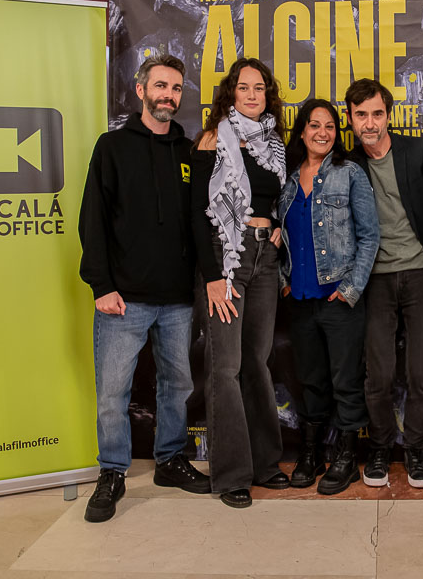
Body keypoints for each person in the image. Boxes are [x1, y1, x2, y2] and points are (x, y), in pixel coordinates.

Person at [78, 54, 210, 523]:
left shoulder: (189, 152)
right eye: (160, 86)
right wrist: (101, 285)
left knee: (178, 385)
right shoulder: (112, 147)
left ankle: (170, 460)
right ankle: (112, 472)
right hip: (123, 299)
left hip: (176, 299)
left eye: (175, 88)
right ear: (140, 90)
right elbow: (92, 219)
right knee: (113, 391)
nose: (168, 96)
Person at [191, 57, 288, 509]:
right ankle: (231, 474)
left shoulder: (273, 142)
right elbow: (196, 213)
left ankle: (266, 464)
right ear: (231, 93)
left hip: (266, 259)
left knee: (257, 362)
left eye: (259, 88)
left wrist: (277, 225)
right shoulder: (213, 139)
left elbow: (275, 199)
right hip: (225, 256)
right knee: (226, 366)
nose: (252, 95)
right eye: (243, 87)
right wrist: (212, 277)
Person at [279, 99, 380, 495]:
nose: (322, 132)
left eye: (330, 126)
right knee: (310, 381)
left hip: (338, 299)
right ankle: (311, 453)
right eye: (314, 125)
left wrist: (350, 288)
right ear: (302, 131)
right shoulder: (287, 179)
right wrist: (284, 281)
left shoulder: (349, 173)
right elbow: (279, 235)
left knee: (346, 381)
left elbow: (370, 236)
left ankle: (346, 457)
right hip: (301, 301)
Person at [347, 79, 423, 489]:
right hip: (374, 279)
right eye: (361, 115)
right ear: (350, 118)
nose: (370, 123)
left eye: (377, 114)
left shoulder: (418, 151)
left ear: (388, 115)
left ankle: (416, 449)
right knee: (379, 375)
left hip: (422, 272)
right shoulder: (347, 163)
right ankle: (381, 448)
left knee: (421, 372)